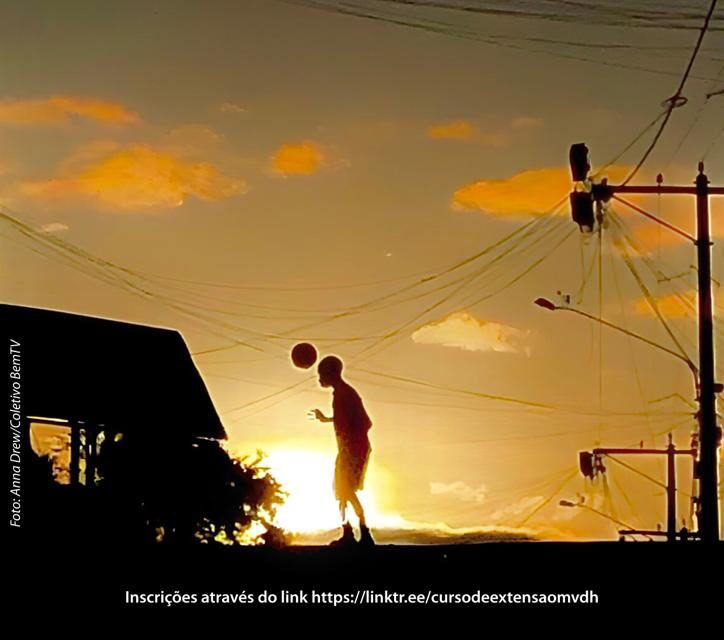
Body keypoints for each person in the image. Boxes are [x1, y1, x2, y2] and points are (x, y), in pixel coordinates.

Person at [309, 355, 374, 547]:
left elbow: (365, 423)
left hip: (352, 450)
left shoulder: (345, 394)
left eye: (321, 374)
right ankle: (351, 532)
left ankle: (362, 532)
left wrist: (349, 445)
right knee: (342, 489)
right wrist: (328, 419)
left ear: (330, 374)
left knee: (345, 489)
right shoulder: (343, 394)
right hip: (350, 449)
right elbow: (350, 420)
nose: (319, 378)